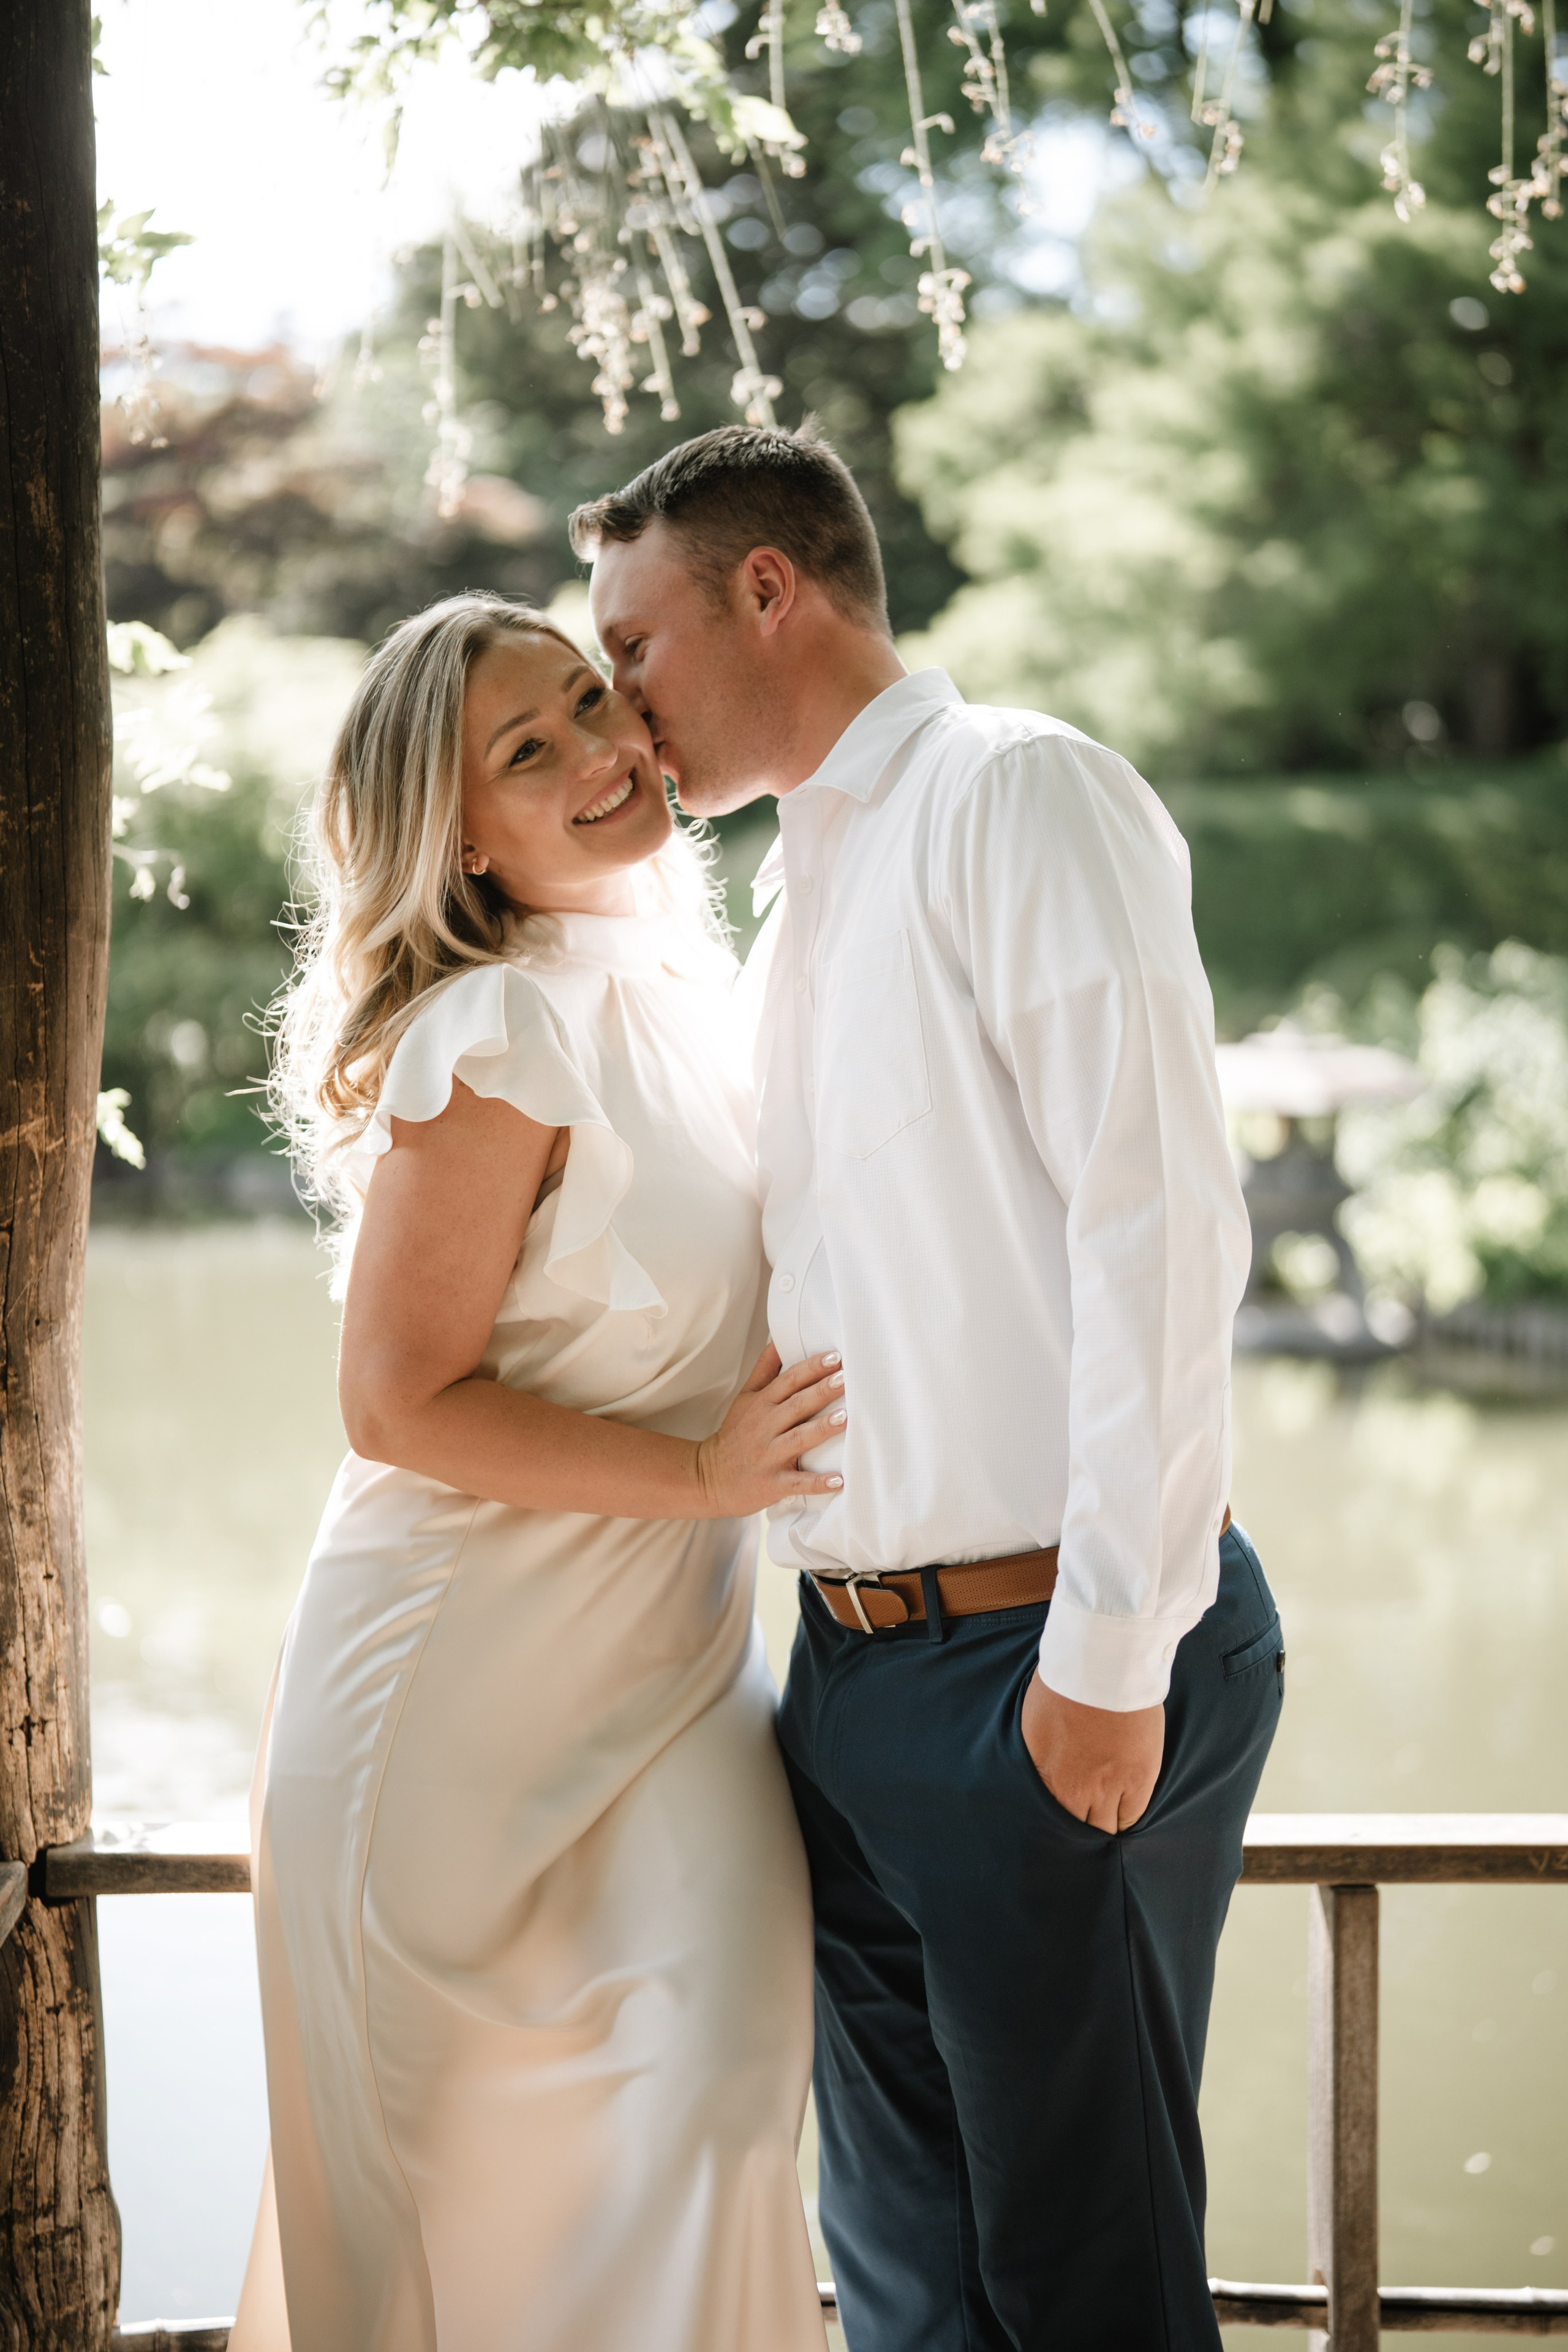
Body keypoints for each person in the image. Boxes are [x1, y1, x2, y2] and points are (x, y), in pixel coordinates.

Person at [578, 425, 1285, 2351]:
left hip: (1046, 1660)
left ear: (768, 590)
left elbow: (1158, 1232)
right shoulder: (798, 906)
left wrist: (1110, 1663)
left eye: (631, 647)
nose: (619, 707)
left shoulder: (1017, 794)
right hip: (858, 1677)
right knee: (905, 2282)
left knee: (1082, 2282)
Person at [229, 593, 837, 2352]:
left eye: (592, 701)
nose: (601, 751)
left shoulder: (693, 995)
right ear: (466, 847)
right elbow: (396, 1404)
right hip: (443, 1696)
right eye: (529, 751)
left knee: (725, 2106)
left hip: (668, 1688)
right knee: (426, 2210)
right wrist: (718, 1476)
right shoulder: (488, 1035)